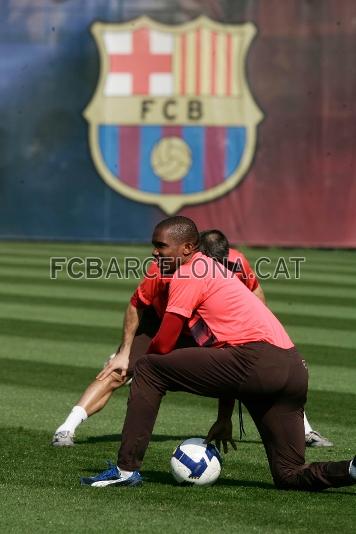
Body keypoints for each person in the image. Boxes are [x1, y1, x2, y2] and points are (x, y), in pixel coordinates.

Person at [80, 216, 355, 490]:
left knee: (149, 368)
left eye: (161, 245)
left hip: (255, 361)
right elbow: (226, 357)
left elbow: (164, 344)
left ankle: (125, 470)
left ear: (187, 248)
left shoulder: (189, 273)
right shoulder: (214, 269)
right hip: (293, 368)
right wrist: (224, 418)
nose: (154, 252)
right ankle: (352, 469)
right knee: (289, 474)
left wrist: (136, 365)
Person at [51, 230, 265, 447]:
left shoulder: (236, 262)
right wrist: (125, 352)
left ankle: (301, 429)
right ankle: (66, 428)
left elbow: (255, 292)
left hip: (203, 329)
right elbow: (137, 303)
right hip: (160, 323)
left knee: (255, 370)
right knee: (118, 371)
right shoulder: (164, 267)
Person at [199, 229, 332, 448]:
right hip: (194, 322)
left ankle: (306, 431)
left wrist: (259, 330)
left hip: (231, 324)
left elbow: (255, 290)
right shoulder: (186, 268)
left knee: (273, 369)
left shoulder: (237, 260)